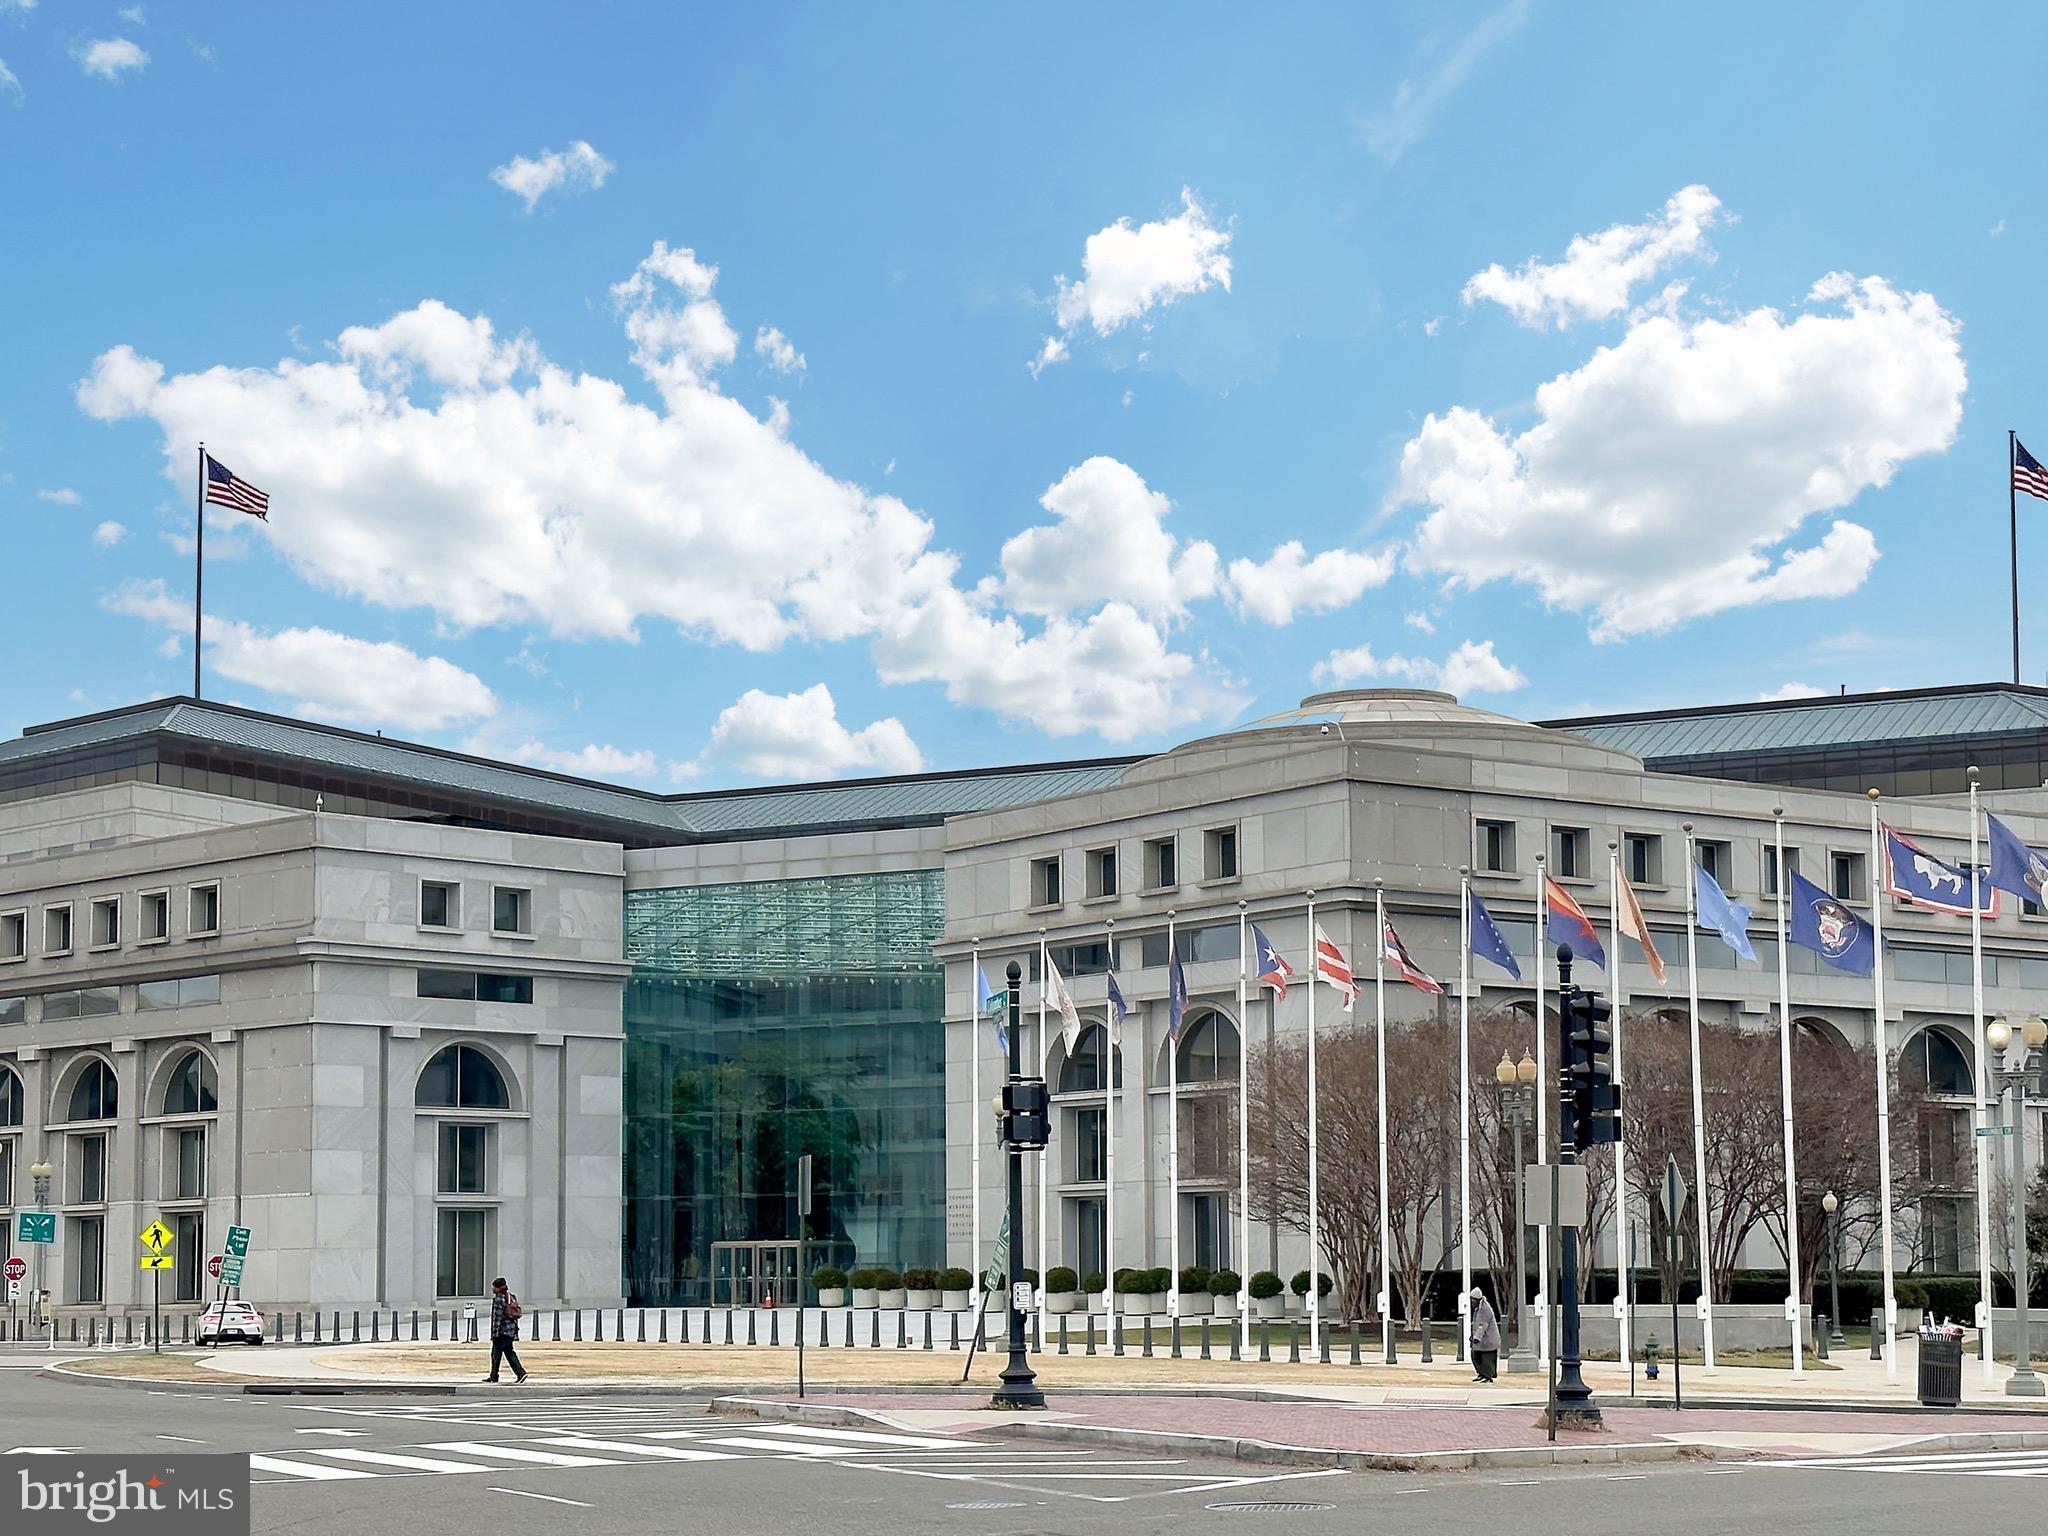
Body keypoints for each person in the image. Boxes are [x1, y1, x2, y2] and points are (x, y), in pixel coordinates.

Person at [485, 1277, 529, 1384]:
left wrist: (494, 1334)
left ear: (497, 1288)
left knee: (497, 1354)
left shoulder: (498, 1299)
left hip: (502, 1332)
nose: (492, 1289)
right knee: (508, 1352)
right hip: (510, 1330)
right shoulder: (510, 1296)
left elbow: (497, 1318)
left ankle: (517, 1373)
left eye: (493, 1287)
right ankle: (517, 1373)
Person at [1468, 1286, 1500, 1382]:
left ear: (1478, 1299)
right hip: (1481, 1340)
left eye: (1473, 1300)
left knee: (1487, 1359)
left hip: (1488, 1340)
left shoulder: (1485, 1309)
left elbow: (1482, 1325)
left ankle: (1488, 1376)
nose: (1472, 1302)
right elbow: (1476, 1324)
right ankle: (1481, 1374)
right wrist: (1473, 1336)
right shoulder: (1478, 1309)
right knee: (1475, 1355)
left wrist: (1477, 1338)